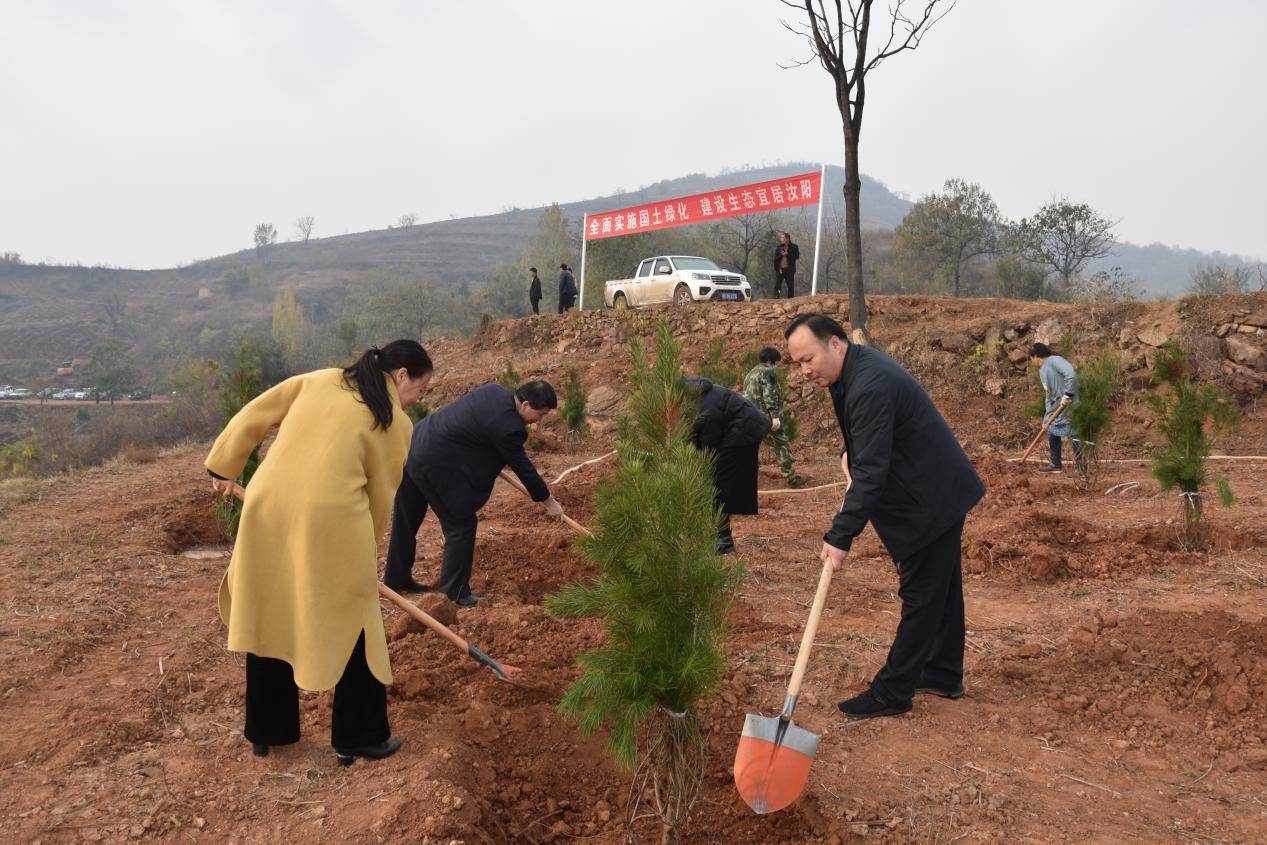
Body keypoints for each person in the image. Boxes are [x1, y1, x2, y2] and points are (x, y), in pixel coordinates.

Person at [205, 340, 434, 765]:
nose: (414, 400)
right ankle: (358, 738)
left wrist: (224, 464)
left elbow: (256, 412)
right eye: (418, 390)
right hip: (329, 522)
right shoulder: (394, 424)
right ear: (401, 376)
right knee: (356, 624)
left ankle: (267, 731)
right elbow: (381, 497)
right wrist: (368, 550)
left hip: (265, 509)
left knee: (268, 610)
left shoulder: (321, 380)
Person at [785, 314, 984, 720]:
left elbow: (873, 473)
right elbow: (870, 437)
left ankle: (893, 691)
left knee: (922, 594)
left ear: (836, 344)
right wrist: (850, 452)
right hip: (930, 486)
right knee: (941, 590)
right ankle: (944, 673)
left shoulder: (869, 384)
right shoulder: (851, 371)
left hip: (929, 496)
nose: (804, 371)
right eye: (797, 363)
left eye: (808, 359)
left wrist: (841, 535)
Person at [384, 380, 564, 606]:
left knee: (406, 519)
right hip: (433, 463)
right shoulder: (510, 428)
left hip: (414, 446)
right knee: (461, 525)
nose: (539, 421)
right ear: (526, 404)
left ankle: (396, 579)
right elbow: (524, 469)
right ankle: (454, 593)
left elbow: (472, 426)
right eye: (540, 414)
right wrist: (548, 500)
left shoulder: (494, 390)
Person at [683, 376, 772, 554]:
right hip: (738, 430)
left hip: (744, 431)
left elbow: (709, 445)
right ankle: (717, 535)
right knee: (717, 482)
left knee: (717, 483)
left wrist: (697, 466)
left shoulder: (704, 407)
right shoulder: (697, 400)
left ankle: (723, 540)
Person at [742, 346, 807, 487]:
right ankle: (792, 479)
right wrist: (775, 417)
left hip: (749, 417)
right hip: (765, 419)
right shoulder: (768, 373)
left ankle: (744, 480)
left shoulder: (751, 373)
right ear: (771, 360)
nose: (776, 365)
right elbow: (769, 396)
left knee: (749, 449)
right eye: (776, 362)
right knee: (782, 444)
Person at [1029, 343, 1081, 475]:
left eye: (1031, 358)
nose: (1031, 362)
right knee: (1051, 430)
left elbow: (1071, 375)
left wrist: (1068, 394)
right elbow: (1049, 394)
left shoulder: (1054, 360)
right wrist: (1048, 415)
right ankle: (1055, 464)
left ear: (1035, 356)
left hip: (1070, 404)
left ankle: (1082, 468)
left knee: (1073, 434)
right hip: (1057, 406)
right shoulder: (1042, 370)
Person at [774, 232, 799, 299]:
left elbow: (796, 257)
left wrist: (787, 254)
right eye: (781, 237)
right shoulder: (779, 247)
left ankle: (790, 298)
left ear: (787, 238)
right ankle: (776, 297)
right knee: (778, 284)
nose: (781, 239)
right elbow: (775, 258)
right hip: (780, 269)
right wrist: (781, 255)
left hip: (789, 270)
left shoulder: (794, 247)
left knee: (790, 285)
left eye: (783, 237)